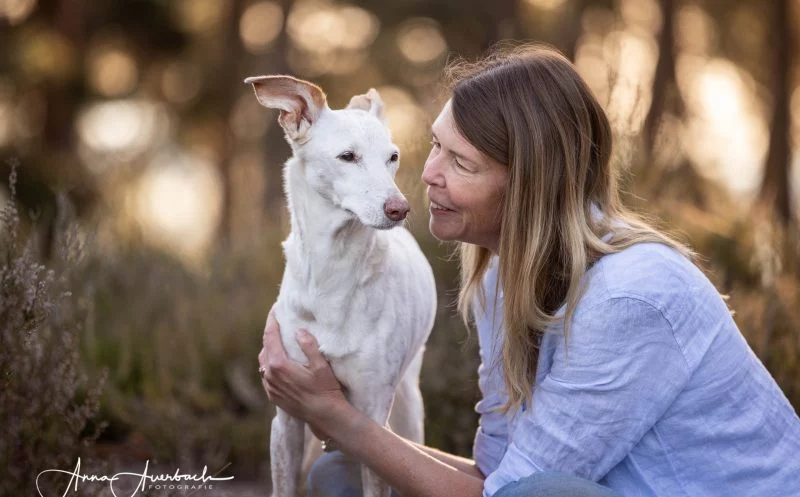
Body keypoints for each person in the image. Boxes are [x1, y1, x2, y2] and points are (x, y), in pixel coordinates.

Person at [257, 44, 800, 497]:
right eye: (435, 148)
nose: (425, 176)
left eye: (460, 163)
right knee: (340, 473)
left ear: (530, 185)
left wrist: (335, 416)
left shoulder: (631, 297)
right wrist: (347, 433)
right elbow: (498, 472)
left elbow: (515, 492)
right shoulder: (503, 280)